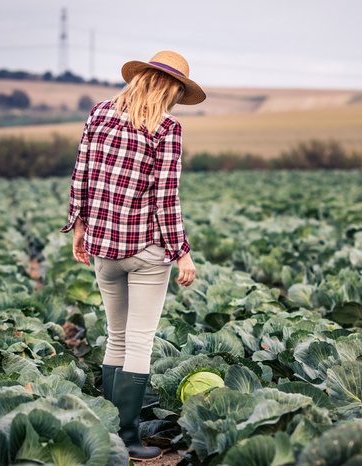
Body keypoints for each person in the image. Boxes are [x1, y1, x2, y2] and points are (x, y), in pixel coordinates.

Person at [60, 50, 205, 461]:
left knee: (116, 337)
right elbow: (165, 198)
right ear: (173, 89)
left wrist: (80, 226)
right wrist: (182, 254)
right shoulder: (167, 129)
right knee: (139, 341)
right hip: (146, 248)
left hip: (103, 247)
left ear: (140, 78)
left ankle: (109, 430)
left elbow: (81, 173)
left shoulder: (99, 113)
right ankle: (128, 437)